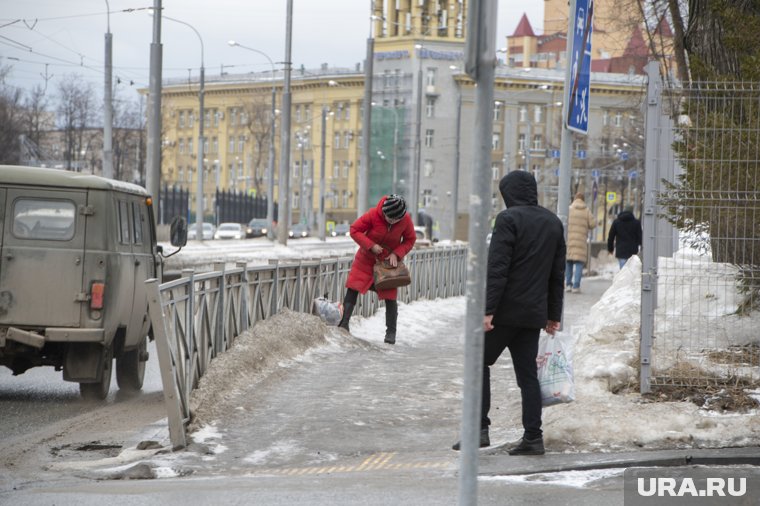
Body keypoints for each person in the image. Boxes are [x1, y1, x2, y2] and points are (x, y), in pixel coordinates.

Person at [453, 171, 565, 455]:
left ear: (508, 194)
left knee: (478, 362)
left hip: (504, 312)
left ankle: (478, 430)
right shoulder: (553, 222)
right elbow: (557, 274)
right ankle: (533, 437)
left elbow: (498, 268)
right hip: (532, 315)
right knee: (527, 375)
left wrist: (488, 310)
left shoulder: (508, 219)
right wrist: (554, 314)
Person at [337, 195, 416, 344]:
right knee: (353, 288)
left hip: (387, 265)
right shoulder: (373, 214)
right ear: (384, 212)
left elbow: (410, 240)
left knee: (390, 297)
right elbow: (354, 230)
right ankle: (344, 324)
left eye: (395, 220)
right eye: (389, 218)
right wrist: (370, 245)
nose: (391, 221)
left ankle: (391, 333)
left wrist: (397, 253)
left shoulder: (406, 220)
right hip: (366, 260)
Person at [565, 192, 595, 293]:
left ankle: (568, 284)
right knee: (578, 263)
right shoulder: (586, 211)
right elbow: (593, 224)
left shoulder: (569, 209)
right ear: (583, 200)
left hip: (569, 240)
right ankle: (576, 286)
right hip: (581, 242)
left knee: (568, 262)